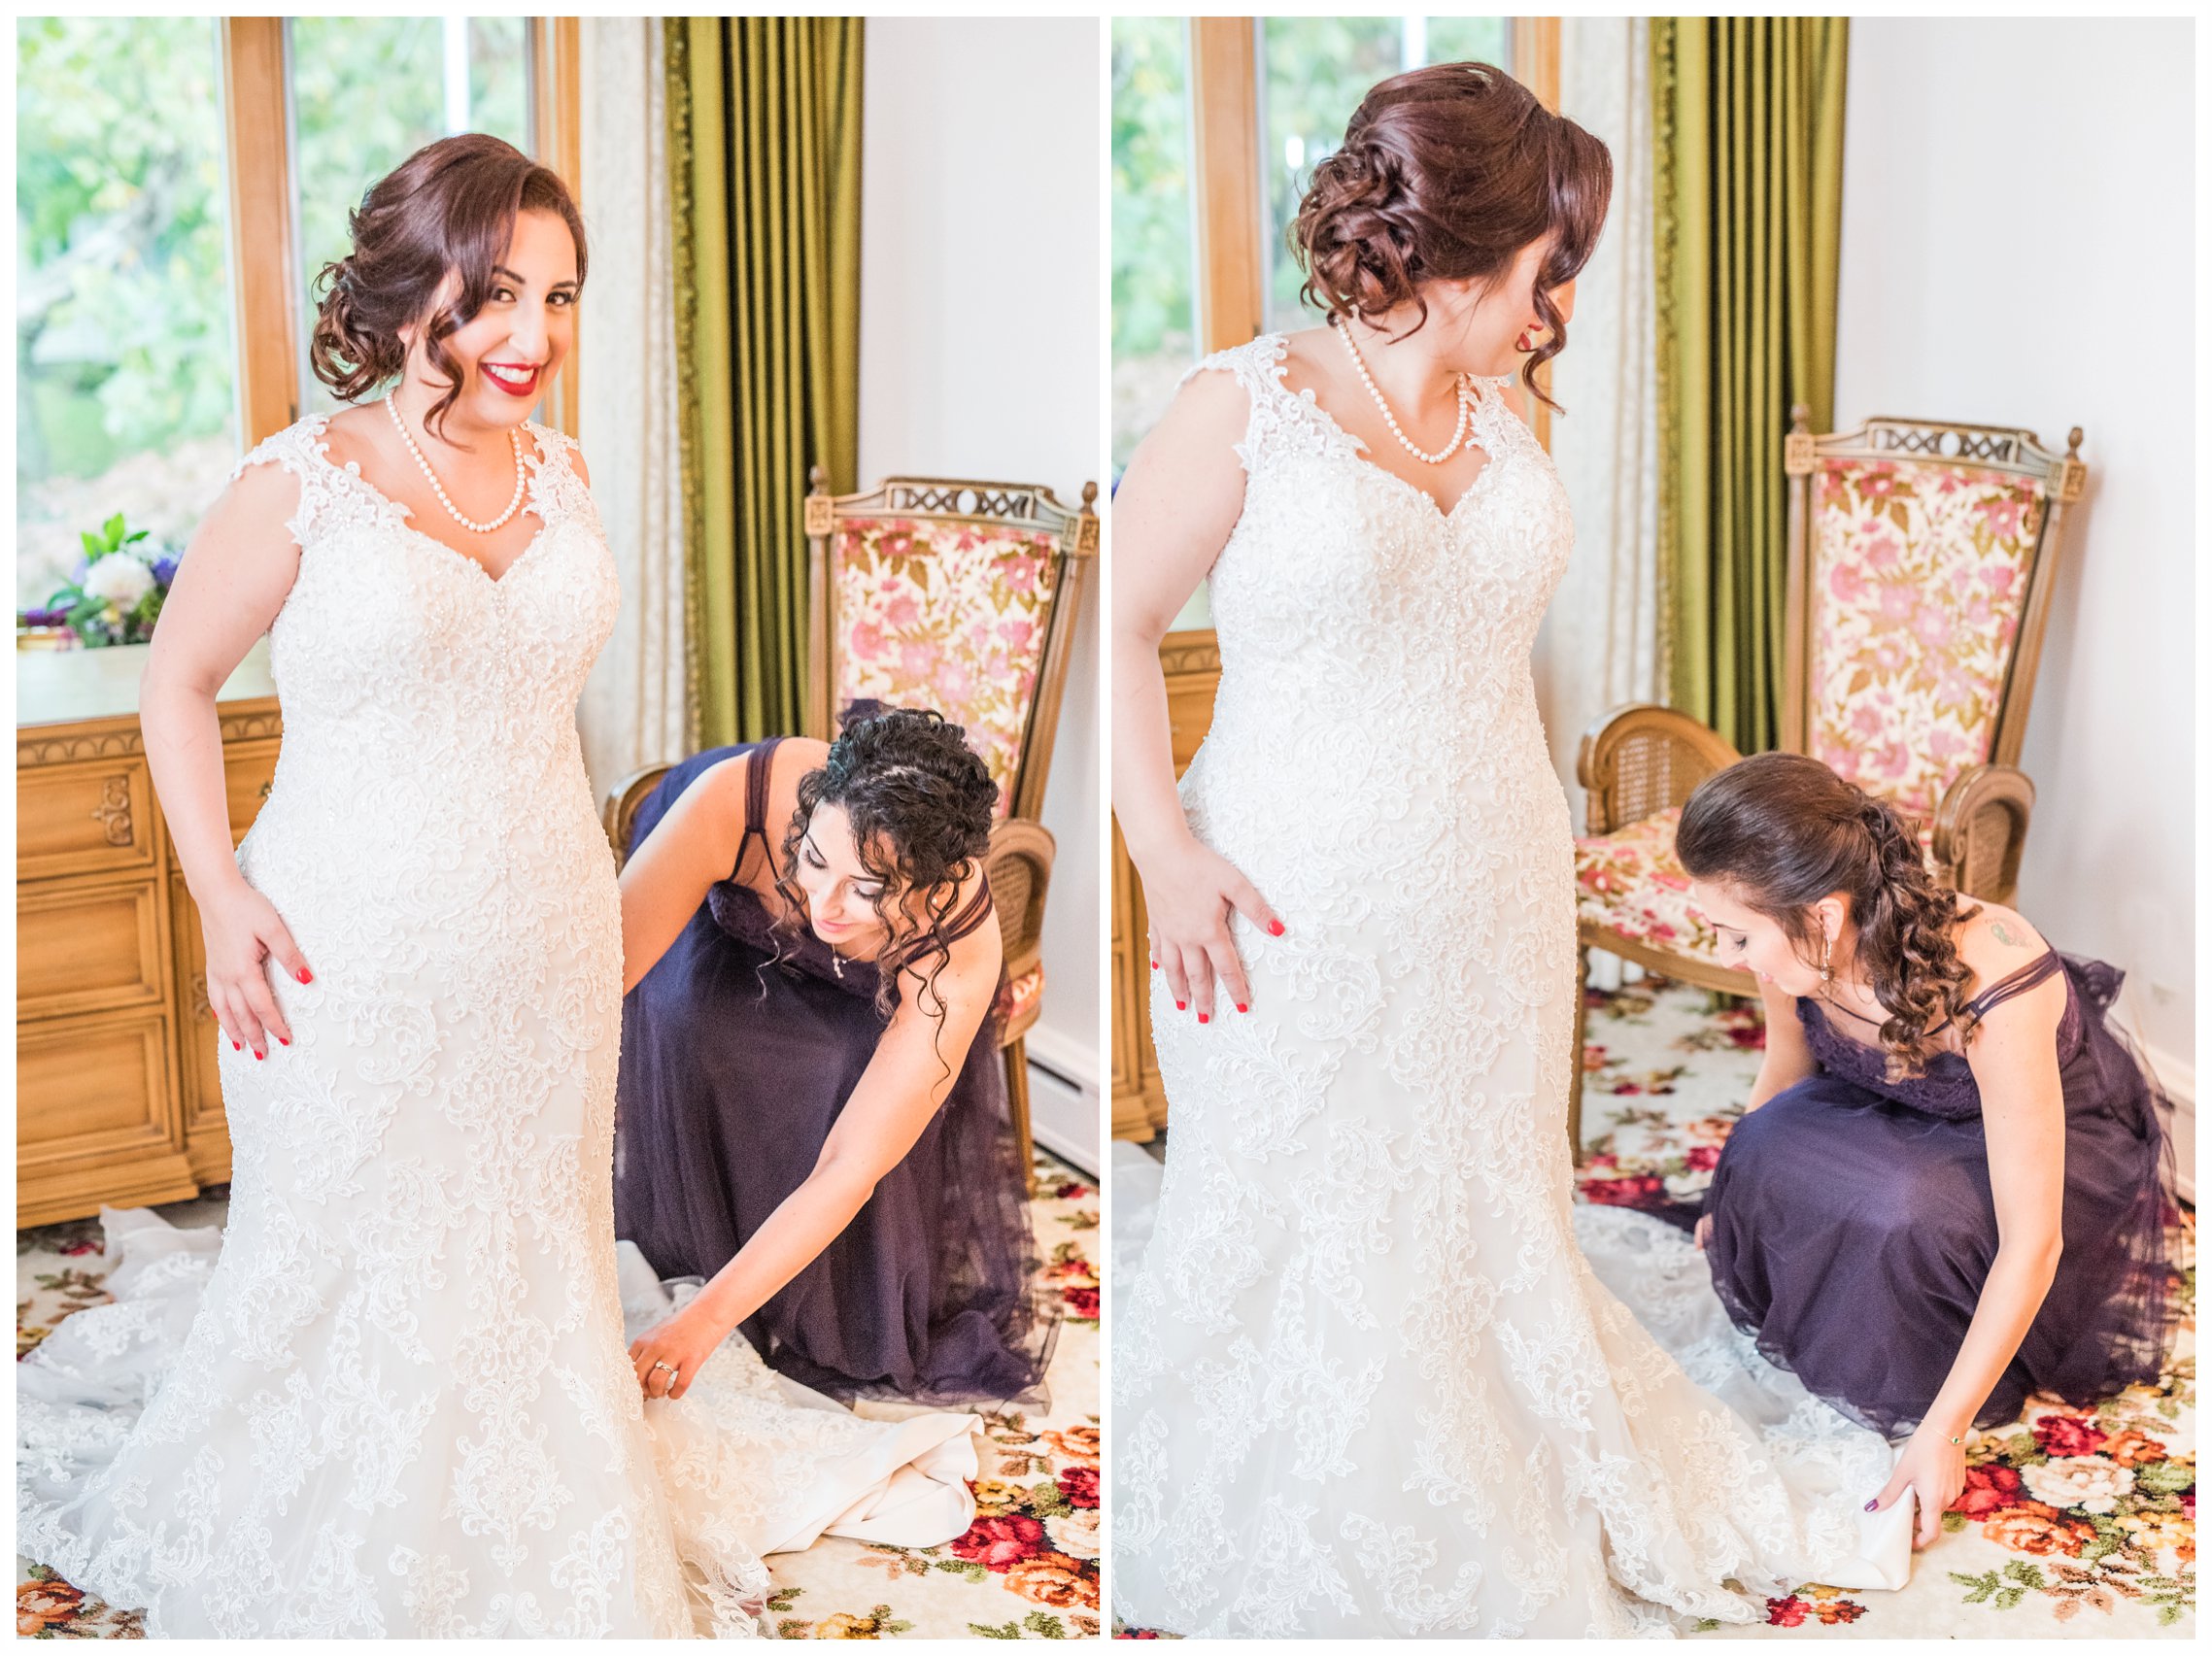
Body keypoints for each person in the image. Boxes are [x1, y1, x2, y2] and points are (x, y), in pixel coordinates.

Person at [17, 134, 976, 1639]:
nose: (533, 335)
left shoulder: (569, 473)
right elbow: (179, 686)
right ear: (412, 298)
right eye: (495, 294)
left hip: (540, 938)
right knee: (351, 1240)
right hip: (345, 941)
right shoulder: (304, 481)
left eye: (562, 294)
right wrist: (219, 895)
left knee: (520, 1241)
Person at [1109, 63, 1909, 1638]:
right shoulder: (1245, 401)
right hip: (1287, 892)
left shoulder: (1503, 416)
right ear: (1467, 247)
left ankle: (1506, 1438)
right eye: (1552, 266)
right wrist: (1161, 849)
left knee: (1478, 1192)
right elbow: (1127, 626)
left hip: (1490, 881)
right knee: (1315, 1202)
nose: (1558, 306)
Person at [1674, 751, 2180, 1518]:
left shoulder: (1995, 984)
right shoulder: (1794, 942)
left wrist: (1942, 1433)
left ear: (1823, 916)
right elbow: (1783, 1073)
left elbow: (2031, 1241)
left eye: (1735, 937)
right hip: (1882, 1097)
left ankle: (1933, 1349)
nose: (1726, 955)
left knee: (1908, 1209)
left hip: (2031, 1140)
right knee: (1762, 1146)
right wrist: (1726, 1194)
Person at [614, 708, 1054, 1406]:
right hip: (721, 885)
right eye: (816, 863)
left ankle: (818, 1300)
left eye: (867, 889)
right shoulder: (738, 800)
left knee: (847, 1066)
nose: (824, 905)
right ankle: (693, 1236)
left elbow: (851, 1164)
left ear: (935, 888)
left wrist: (699, 1324)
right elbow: (601, 984)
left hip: (884, 956)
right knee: (689, 1019)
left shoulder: (958, 950)